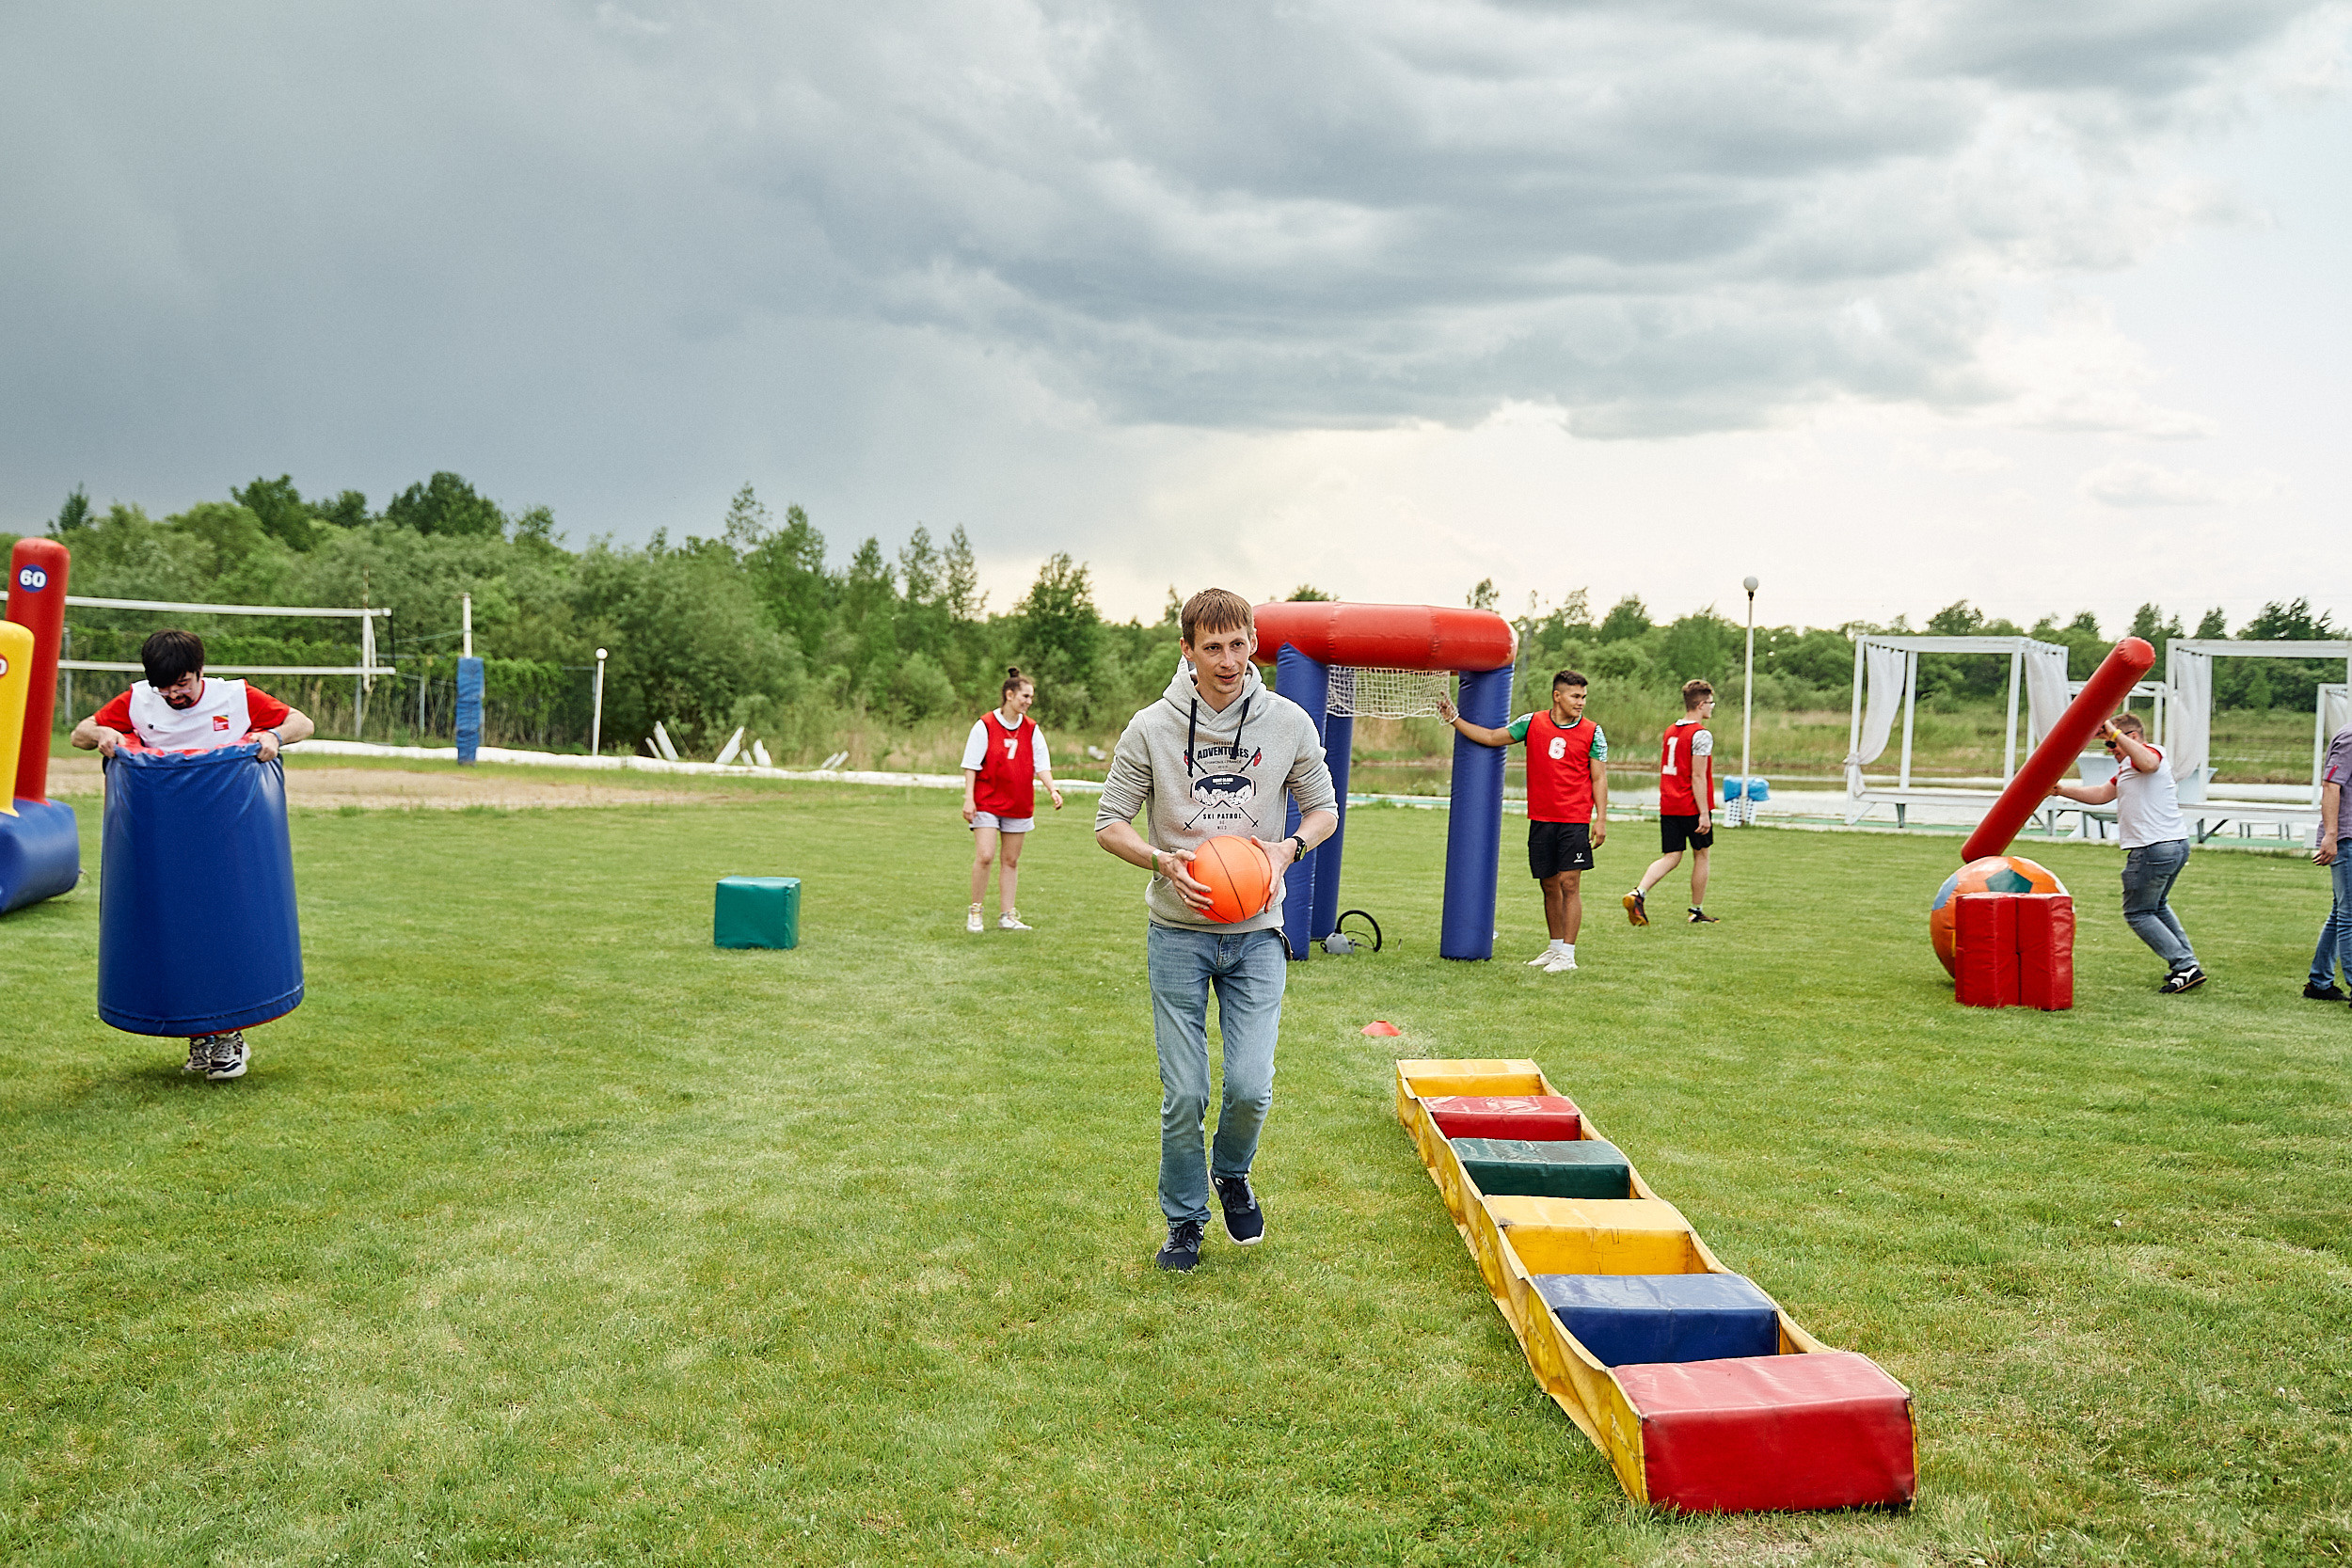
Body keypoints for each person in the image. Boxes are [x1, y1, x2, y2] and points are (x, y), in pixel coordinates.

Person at [1094, 589, 1338, 1273]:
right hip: (1177, 931)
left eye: (1239, 644)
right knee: (1186, 1092)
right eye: (1212, 647)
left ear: (1253, 642)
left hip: (1259, 930)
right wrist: (1160, 859)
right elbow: (1109, 821)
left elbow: (1324, 809)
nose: (1228, 660)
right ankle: (1182, 1221)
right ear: (1187, 650)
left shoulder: (1287, 721)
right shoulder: (1150, 727)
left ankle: (1230, 1171)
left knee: (1251, 1084)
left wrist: (1288, 848)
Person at [70, 628, 316, 1077]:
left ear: (199, 671)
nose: (173, 694)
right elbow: (80, 734)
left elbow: (303, 723)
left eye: (181, 684)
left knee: (226, 929)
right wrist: (105, 732)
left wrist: (274, 737)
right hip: (165, 845)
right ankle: (201, 1038)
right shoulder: (139, 701)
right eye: (164, 686)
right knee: (180, 935)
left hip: (227, 839)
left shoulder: (235, 697)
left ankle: (228, 1038)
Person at [1438, 670, 1608, 973]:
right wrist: (1454, 719)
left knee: (1570, 883)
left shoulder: (1593, 732)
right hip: (1541, 819)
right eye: (1575, 696)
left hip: (1574, 820)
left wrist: (1601, 819)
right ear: (1557, 696)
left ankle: (1568, 955)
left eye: (1584, 696)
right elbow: (1492, 737)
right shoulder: (1532, 723)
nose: (1581, 702)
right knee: (1548, 885)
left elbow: (1599, 776)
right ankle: (1554, 947)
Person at [2046, 712, 2205, 993]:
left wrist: (2114, 733)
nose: (2111, 752)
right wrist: (2061, 791)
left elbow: (2149, 762)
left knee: (2138, 913)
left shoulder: (2150, 754)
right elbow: (2100, 794)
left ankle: (2183, 965)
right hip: (2172, 845)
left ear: (2132, 737)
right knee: (2156, 907)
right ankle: (2188, 964)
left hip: (2153, 848)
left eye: (2112, 746)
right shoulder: (2129, 768)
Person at [960, 666, 1063, 933]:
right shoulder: (985, 725)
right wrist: (968, 799)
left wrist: (1052, 789)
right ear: (1009, 695)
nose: (1029, 701)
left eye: (1031, 697)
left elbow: (1042, 764)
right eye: (1025, 696)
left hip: (1018, 803)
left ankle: (1007, 915)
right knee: (985, 855)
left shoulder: (1031, 729)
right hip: (986, 801)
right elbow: (971, 765)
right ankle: (976, 911)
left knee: (1011, 860)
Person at [1626, 679, 1719, 927]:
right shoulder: (1701, 734)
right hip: (1691, 805)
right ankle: (1696, 911)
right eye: (1710, 703)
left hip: (1669, 804)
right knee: (1702, 855)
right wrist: (1704, 813)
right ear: (1700, 704)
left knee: (1672, 856)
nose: (1712, 707)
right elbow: (1697, 776)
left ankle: (1638, 893)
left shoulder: (1671, 731)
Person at [2309, 721, 2352, 1004]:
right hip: (2347, 837)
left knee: (2341, 912)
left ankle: (2319, 982)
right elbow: (2330, 785)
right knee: (2350, 914)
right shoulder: (2350, 738)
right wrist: (2331, 836)